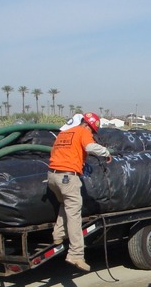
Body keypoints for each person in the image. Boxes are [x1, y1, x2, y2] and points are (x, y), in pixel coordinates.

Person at [47, 112, 112, 271]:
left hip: (52, 176)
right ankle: (76, 254)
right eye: (93, 131)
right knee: (74, 214)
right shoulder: (83, 131)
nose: (92, 134)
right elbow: (90, 147)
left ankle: (58, 235)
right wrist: (106, 152)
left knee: (65, 204)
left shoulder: (64, 133)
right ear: (88, 126)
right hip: (68, 177)